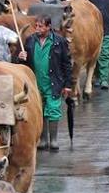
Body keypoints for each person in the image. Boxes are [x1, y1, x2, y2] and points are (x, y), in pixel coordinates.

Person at [18, 16, 72, 151]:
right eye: (36, 26)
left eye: (41, 26)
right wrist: (21, 57)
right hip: (35, 82)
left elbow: (66, 64)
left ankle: (53, 140)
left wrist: (68, 85)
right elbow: (22, 63)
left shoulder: (59, 41)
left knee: (53, 109)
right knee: (40, 110)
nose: (37, 29)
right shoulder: (30, 41)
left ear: (49, 27)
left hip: (53, 82)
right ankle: (43, 140)